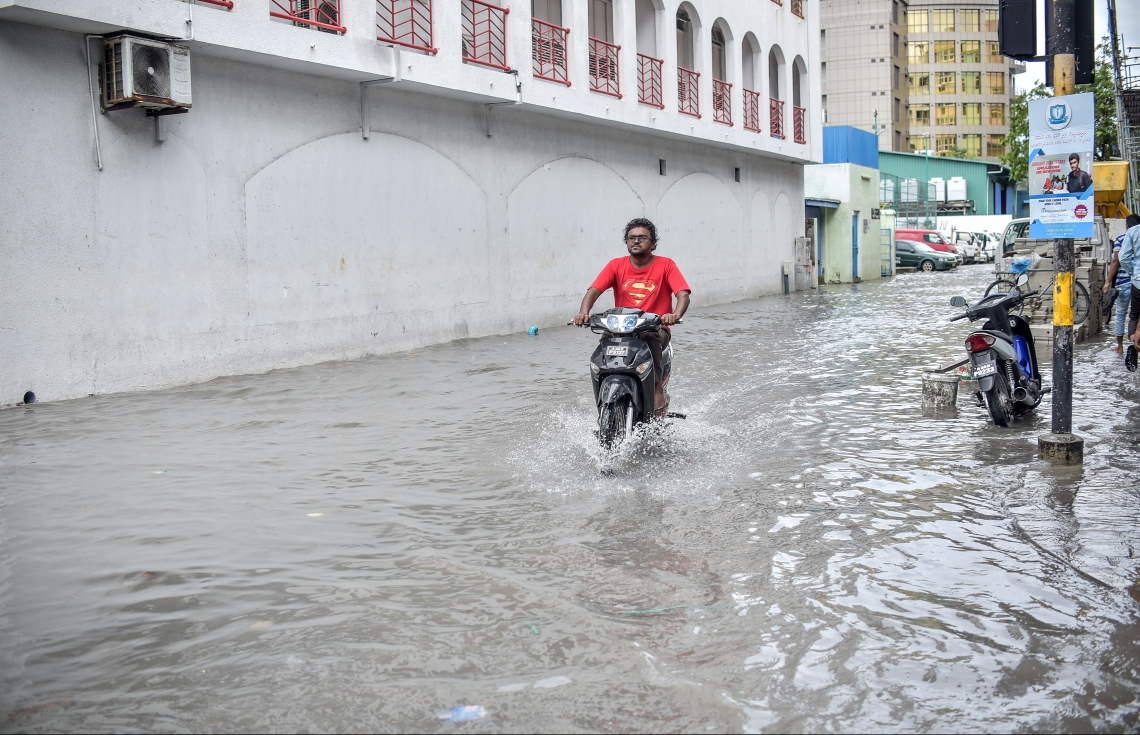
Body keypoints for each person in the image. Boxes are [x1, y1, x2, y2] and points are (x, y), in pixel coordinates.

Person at [573, 218, 691, 415]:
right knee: (604, 345)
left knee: (648, 337)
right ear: (626, 242)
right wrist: (583, 313)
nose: (636, 241)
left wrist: (674, 315)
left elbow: (683, 295)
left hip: (654, 328)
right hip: (621, 328)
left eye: (642, 238)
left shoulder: (666, 264)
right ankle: (603, 397)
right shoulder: (615, 265)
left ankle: (656, 389)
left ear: (653, 244)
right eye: (631, 238)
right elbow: (593, 291)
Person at [1104, 214, 1140, 353]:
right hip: (1136, 281)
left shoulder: (1121, 238)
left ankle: (1120, 346)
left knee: (1121, 314)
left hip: (1125, 282)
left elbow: (1117, 260)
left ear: (1127, 226)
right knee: (1135, 315)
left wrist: (1108, 281)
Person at [1118, 216, 1140, 369]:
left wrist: (1134, 273)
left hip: (1138, 282)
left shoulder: (1133, 232)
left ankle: (1134, 345)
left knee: (1134, 316)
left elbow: (1123, 257)